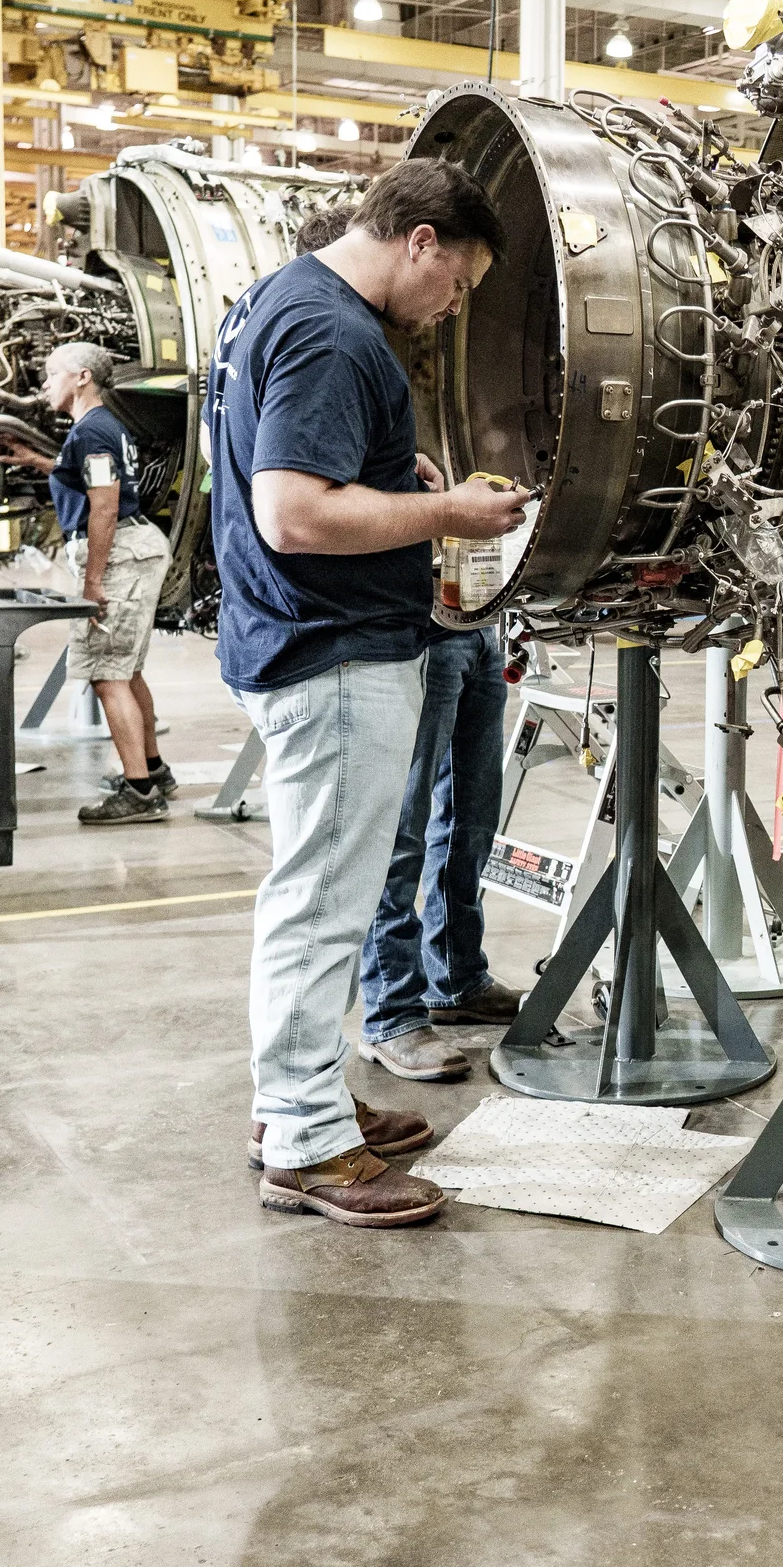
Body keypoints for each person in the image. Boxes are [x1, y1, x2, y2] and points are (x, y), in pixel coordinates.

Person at [210, 157, 531, 1229]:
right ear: (421, 242)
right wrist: (448, 520)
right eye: (459, 282)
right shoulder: (335, 331)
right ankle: (306, 1144)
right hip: (333, 651)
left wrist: (401, 491)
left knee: (316, 896)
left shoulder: (283, 296)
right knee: (323, 905)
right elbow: (293, 513)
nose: (454, 306)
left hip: (305, 639)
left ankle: (295, 1099)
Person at [0, 343, 176, 825]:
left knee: (107, 673)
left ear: (81, 377)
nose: (44, 384)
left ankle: (139, 794)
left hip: (120, 553)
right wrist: (37, 460)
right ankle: (153, 771)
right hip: (135, 547)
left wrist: (93, 581)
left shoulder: (94, 431)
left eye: (52, 374)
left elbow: (105, 505)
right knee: (127, 668)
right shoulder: (97, 429)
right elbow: (89, 480)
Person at [356, 619, 523, 1084]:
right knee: (400, 833)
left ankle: (456, 978)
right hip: (419, 634)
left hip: (482, 632)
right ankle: (391, 1014)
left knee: (470, 823)